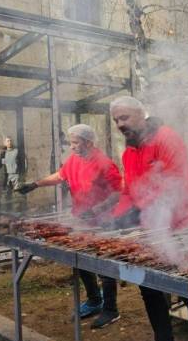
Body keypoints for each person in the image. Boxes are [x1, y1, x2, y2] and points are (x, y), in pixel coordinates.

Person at [108, 96, 188, 341]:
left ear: (141, 114)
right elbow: (128, 191)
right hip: (151, 230)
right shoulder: (128, 153)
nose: (121, 124)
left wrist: (139, 210)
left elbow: (175, 189)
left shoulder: (166, 139)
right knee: (149, 288)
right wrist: (119, 215)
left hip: (182, 228)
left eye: (125, 118)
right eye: (116, 120)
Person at [16, 124, 123, 329]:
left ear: (89, 143)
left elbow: (118, 192)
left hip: (102, 221)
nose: (71, 146)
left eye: (75, 142)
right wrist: (36, 184)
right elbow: (60, 176)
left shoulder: (104, 163)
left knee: (104, 265)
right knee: (79, 260)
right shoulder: (74, 160)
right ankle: (94, 300)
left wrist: (97, 209)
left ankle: (111, 310)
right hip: (80, 218)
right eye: (71, 142)